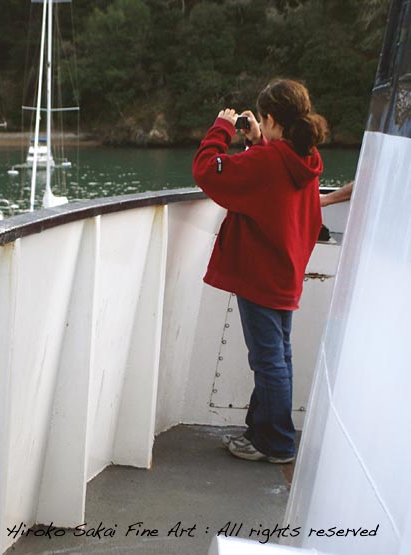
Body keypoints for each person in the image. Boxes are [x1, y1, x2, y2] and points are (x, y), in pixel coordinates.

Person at [192, 78, 328, 464]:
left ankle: (278, 442)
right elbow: (273, 176)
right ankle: (262, 433)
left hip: (261, 274)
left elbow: (207, 171)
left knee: (268, 360)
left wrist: (221, 129)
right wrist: (258, 141)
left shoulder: (269, 160)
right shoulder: (305, 157)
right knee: (277, 357)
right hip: (285, 271)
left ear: (269, 117)